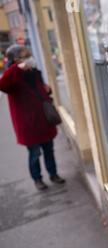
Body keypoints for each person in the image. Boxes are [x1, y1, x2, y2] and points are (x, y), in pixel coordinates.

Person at [0, 45, 65, 190]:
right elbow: (2, 85)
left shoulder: (35, 72)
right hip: (28, 124)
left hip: (43, 120)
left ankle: (53, 174)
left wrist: (47, 90)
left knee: (49, 150)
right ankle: (37, 179)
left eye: (29, 55)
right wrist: (17, 69)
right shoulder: (13, 76)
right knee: (35, 154)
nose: (30, 58)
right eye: (25, 56)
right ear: (16, 60)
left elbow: (41, 91)